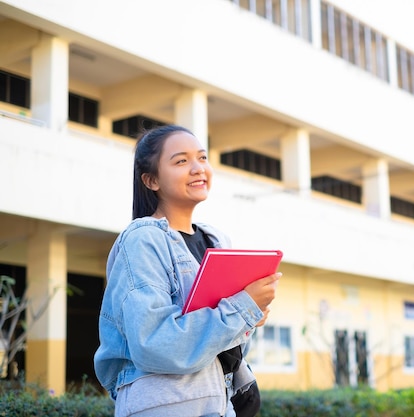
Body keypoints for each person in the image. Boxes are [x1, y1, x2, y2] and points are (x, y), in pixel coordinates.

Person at [94, 124, 280, 417]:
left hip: (217, 402)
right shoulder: (143, 238)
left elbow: (221, 344)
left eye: (202, 158)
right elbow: (152, 342)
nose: (197, 168)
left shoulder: (217, 241)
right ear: (151, 180)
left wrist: (250, 317)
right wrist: (241, 309)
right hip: (164, 405)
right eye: (181, 161)